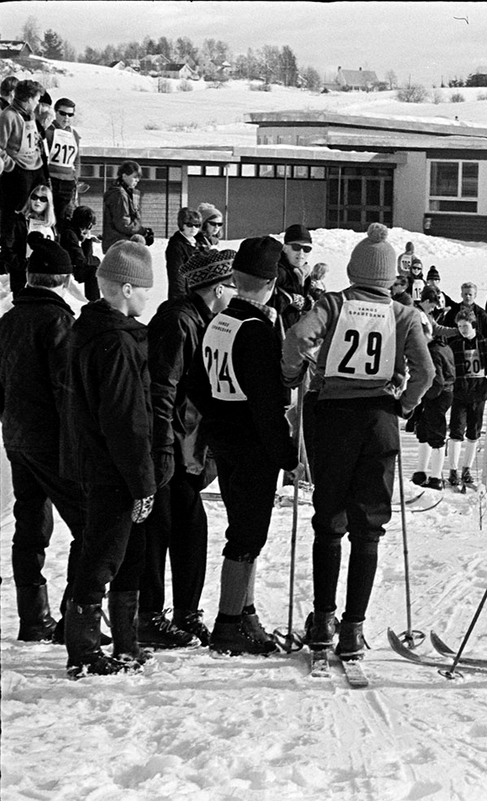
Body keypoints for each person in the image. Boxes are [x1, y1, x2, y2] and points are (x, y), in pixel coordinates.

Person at [282, 223, 433, 661]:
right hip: (379, 418)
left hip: (333, 415)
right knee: (369, 524)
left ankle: (323, 619)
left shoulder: (333, 303)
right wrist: (403, 406)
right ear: (391, 278)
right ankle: (353, 627)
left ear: (354, 269)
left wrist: (295, 372)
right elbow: (425, 373)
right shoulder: (403, 314)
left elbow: (298, 338)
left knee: (329, 517)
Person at [187, 236, 298, 656]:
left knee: (241, 527)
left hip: (223, 436)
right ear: (270, 285)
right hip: (252, 443)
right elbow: (268, 408)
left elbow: (195, 382)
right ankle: (228, 623)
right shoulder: (257, 332)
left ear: (234, 279)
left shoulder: (218, 320)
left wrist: (217, 417)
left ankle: (245, 611)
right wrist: (287, 456)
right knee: (248, 534)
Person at [61, 240, 157, 678]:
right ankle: (82, 651)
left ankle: (125, 642)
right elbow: (126, 419)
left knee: (126, 552)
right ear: (124, 289)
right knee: (102, 555)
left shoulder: (89, 330)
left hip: (96, 460)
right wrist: (142, 481)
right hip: (112, 467)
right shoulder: (115, 342)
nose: (148, 297)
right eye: (144, 289)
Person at [140, 249, 239, 649]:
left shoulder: (204, 320)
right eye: (232, 285)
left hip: (187, 444)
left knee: (190, 529)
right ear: (218, 288)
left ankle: (186, 612)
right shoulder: (178, 320)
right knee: (162, 529)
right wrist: (162, 444)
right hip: (169, 443)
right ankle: (148, 615)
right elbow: (161, 386)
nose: (235, 292)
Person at [0, 235, 86, 643]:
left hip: (15, 437)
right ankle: (73, 616)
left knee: (29, 526)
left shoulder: (8, 320)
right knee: (88, 525)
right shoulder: (59, 322)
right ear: (64, 280)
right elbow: (66, 389)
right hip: (50, 441)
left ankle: (33, 618)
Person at [410, 286, 456, 490]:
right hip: (437, 388)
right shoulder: (417, 315)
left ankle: (435, 476)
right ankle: (422, 472)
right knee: (424, 429)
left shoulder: (436, 349)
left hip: (436, 392)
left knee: (433, 431)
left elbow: (437, 380)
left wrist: (424, 396)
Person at [1, 80, 47, 281]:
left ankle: (35, 255)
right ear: (28, 99)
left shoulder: (30, 115)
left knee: (38, 211)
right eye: (36, 99)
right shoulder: (8, 116)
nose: (38, 103)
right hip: (18, 172)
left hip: (35, 168)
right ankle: (14, 264)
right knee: (15, 217)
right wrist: (11, 165)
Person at [445, 308, 487, 490]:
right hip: (460, 393)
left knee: (474, 431)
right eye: (460, 326)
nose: (462, 329)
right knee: (456, 431)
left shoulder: (485, 344)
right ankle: (453, 470)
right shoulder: (454, 345)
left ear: (473, 325)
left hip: (478, 393)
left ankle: (467, 468)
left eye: (465, 326)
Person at [8, 184, 57, 296]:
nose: (37, 201)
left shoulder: (52, 225)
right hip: (23, 277)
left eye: (43, 199)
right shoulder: (19, 222)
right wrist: (23, 266)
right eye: (34, 197)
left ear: (48, 202)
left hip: (46, 277)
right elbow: (8, 249)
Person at [271, 223, 319, 331]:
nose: (301, 253)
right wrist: (290, 299)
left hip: (295, 332)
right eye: (296, 247)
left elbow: (307, 302)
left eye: (306, 249)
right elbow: (268, 302)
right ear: (285, 248)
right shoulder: (279, 272)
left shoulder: (303, 273)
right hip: (278, 333)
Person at [45, 96, 81, 227]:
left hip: (68, 183)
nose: (66, 118)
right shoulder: (48, 132)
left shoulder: (74, 134)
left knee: (64, 220)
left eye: (70, 114)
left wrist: (75, 176)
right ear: (56, 112)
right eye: (63, 113)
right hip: (51, 181)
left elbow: (76, 159)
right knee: (48, 217)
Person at [103, 160, 153, 251]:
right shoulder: (119, 195)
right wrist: (142, 232)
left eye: (138, 177)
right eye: (134, 177)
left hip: (120, 244)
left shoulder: (127, 193)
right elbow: (123, 223)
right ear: (124, 176)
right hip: (119, 245)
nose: (137, 180)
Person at [61, 204, 101, 301]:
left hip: (73, 265)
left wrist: (87, 240)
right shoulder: (70, 235)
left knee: (93, 266)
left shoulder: (72, 232)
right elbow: (81, 260)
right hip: (70, 267)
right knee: (93, 270)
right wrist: (98, 260)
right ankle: (94, 302)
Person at [164, 208, 202, 301]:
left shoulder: (197, 243)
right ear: (182, 224)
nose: (193, 228)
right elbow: (176, 275)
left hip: (197, 294)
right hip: (184, 295)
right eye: (189, 225)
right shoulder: (176, 245)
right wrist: (180, 299)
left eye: (197, 225)